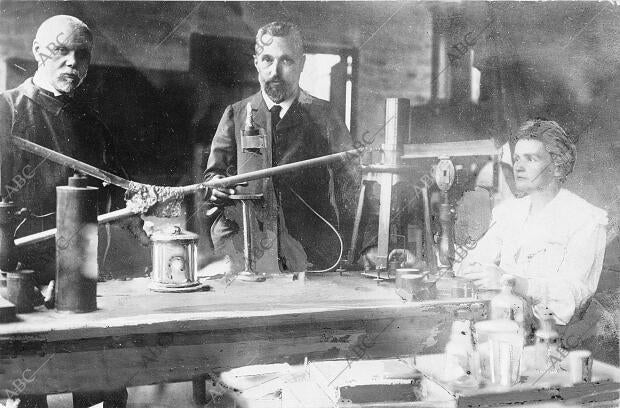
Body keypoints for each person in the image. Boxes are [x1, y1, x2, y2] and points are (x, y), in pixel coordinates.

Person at [0, 15, 136, 408]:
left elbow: (117, 192)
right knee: (25, 393)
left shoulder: (91, 123)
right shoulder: (6, 110)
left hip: (82, 274)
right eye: (62, 51)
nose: (73, 63)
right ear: (38, 52)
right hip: (19, 275)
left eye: (82, 55)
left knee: (102, 386)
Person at [204, 21, 357, 272]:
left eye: (286, 61)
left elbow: (352, 183)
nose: (275, 71)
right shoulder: (235, 115)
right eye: (267, 60)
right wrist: (216, 187)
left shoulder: (324, 116)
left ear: (302, 63)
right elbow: (212, 177)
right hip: (245, 248)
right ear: (256, 63)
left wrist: (362, 245)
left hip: (311, 253)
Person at [457, 119, 608, 325]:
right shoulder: (509, 212)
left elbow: (574, 295)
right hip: (504, 323)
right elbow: (471, 264)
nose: (518, 167)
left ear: (557, 167)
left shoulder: (587, 219)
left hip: (553, 336)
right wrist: (476, 270)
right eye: (517, 158)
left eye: (531, 159)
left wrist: (514, 283)